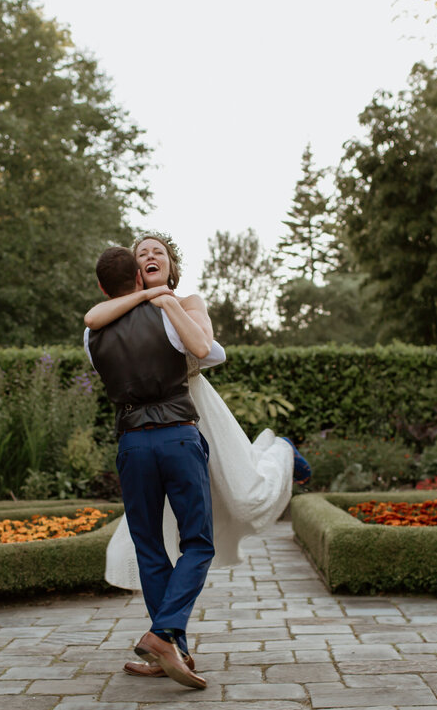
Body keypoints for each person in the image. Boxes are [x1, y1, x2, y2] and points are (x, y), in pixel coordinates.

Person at [85, 234, 307, 674]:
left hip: (196, 415)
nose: (149, 256)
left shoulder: (180, 306)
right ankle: (170, 644)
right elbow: (96, 316)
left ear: (170, 265)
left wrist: (167, 302)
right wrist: (151, 297)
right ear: (133, 273)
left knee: (243, 496)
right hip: (169, 429)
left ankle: (281, 451)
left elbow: (207, 351)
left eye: (158, 252)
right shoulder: (113, 318)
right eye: (141, 253)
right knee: (160, 543)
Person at [83, 245, 219, 689]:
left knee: (149, 547)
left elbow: (97, 320)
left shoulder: (92, 337)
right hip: (178, 435)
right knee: (197, 542)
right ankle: (165, 636)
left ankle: (169, 647)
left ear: (104, 287)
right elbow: (211, 353)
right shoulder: (166, 314)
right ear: (138, 279)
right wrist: (163, 300)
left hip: (132, 445)